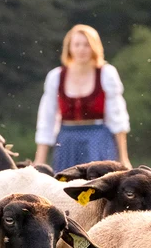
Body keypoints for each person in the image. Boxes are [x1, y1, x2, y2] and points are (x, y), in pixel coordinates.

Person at [34, 25, 131, 169]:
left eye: (86, 45)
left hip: (98, 139)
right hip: (67, 142)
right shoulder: (56, 77)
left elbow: (118, 118)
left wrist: (123, 158)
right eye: (77, 45)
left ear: (94, 47)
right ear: (69, 48)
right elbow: (47, 119)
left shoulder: (106, 74)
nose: (81, 49)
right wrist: (39, 161)